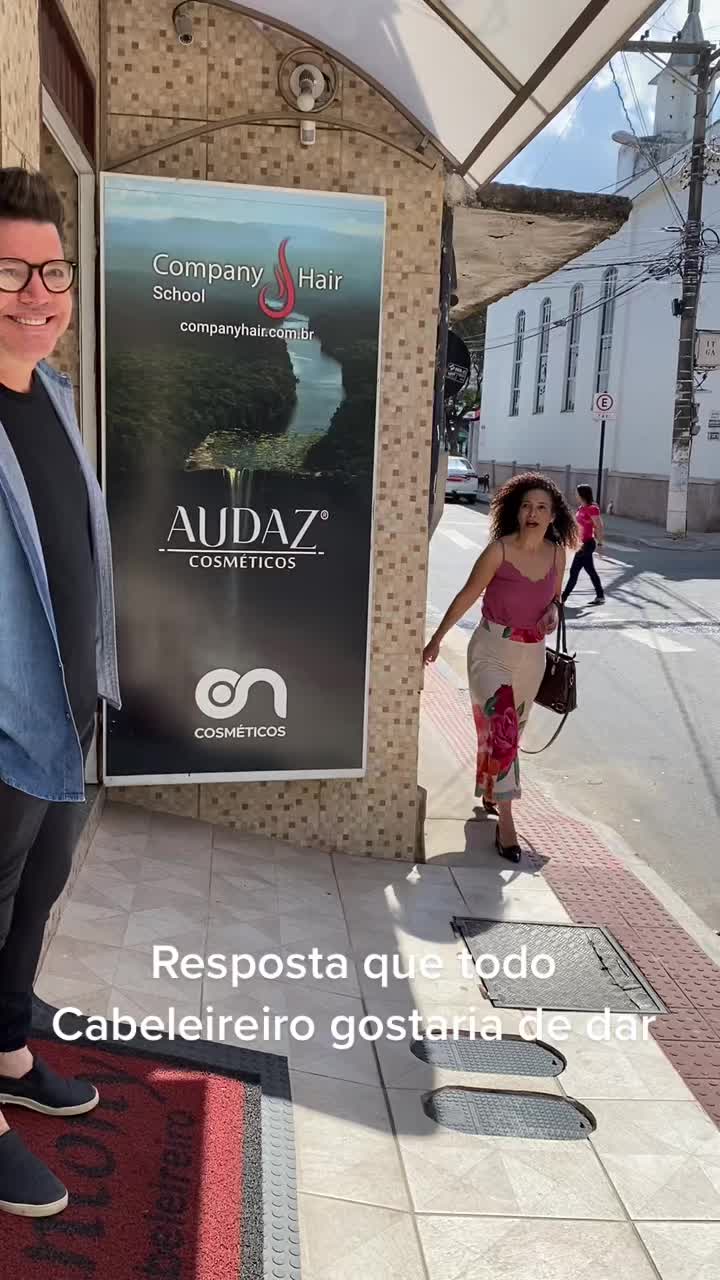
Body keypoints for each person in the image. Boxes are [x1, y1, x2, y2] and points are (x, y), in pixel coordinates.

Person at [0, 168, 120, 1217]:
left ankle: (5, 1051)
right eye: (8, 272)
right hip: (0, 725)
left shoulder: (55, 397)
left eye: (51, 272)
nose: (35, 293)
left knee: (36, 893)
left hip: (64, 709)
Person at [423, 474, 577, 862]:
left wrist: (552, 611)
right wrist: (437, 638)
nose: (533, 513)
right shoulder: (499, 551)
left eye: (541, 507)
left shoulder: (557, 554)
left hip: (532, 656)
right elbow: (467, 595)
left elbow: (556, 598)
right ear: (516, 511)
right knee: (503, 728)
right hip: (491, 650)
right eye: (526, 506)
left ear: (553, 515)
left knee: (508, 732)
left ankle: (492, 789)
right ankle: (506, 824)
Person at [562, 483, 605, 606]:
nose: (575, 494)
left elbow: (599, 526)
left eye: (577, 492)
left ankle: (563, 598)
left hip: (587, 544)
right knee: (590, 571)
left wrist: (600, 544)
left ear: (582, 494)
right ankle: (600, 596)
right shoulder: (581, 508)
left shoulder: (592, 508)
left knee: (574, 571)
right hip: (581, 544)